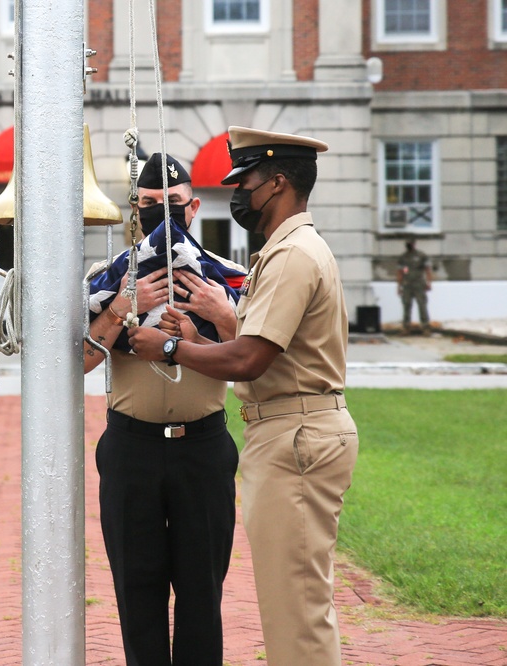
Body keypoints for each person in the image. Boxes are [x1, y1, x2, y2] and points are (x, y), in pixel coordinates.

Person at [128, 127, 359, 666]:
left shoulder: (292, 255)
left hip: (296, 435)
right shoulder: (285, 250)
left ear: (277, 182)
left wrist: (166, 348)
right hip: (286, 429)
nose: (239, 193)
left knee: (297, 610)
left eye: (246, 180)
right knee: (292, 604)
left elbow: (248, 359)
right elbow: (261, 350)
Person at [84, 153, 243, 666]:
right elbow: (80, 362)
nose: (162, 214)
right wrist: (120, 305)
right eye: (150, 205)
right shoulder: (107, 278)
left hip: (202, 448)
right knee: (137, 591)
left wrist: (218, 320)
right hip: (133, 449)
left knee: (202, 593)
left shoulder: (226, 280)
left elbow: (250, 361)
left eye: (173, 204)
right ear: (136, 210)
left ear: (194, 207)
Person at [396, 239, 432, 334]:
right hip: (407, 284)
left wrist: (429, 283)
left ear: (414, 244)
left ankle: (425, 327)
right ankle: (406, 327)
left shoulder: (421, 256)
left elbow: (427, 270)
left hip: (419, 283)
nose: (409, 245)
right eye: (407, 243)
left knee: (422, 305)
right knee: (406, 305)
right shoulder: (403, 257)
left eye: (410, 243)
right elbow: (400, 272)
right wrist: (399, 287)